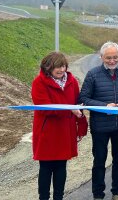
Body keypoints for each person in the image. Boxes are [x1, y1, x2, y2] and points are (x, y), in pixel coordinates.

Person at [79, 42, 118, 200]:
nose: (112, 61)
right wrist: (104, 106)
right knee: (99, 161)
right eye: (108, 57)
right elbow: (83, 99)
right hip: (100, 127)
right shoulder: (92, 74)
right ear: (101, 57)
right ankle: (98, 195)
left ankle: (117, 192)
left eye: (115, 57)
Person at [31, 52, 88, 200]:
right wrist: (70, 109)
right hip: (47, 132)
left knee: (61, 166)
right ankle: (43, 197)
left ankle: (59, 197)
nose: (61, 69)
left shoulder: (72, 81)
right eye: (57, 66)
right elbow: (45, 107)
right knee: (45, 168)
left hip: (65, 130)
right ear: (48, 67)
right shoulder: (39, 82)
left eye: (63, 66)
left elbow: (78, 104)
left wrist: (81, 124)